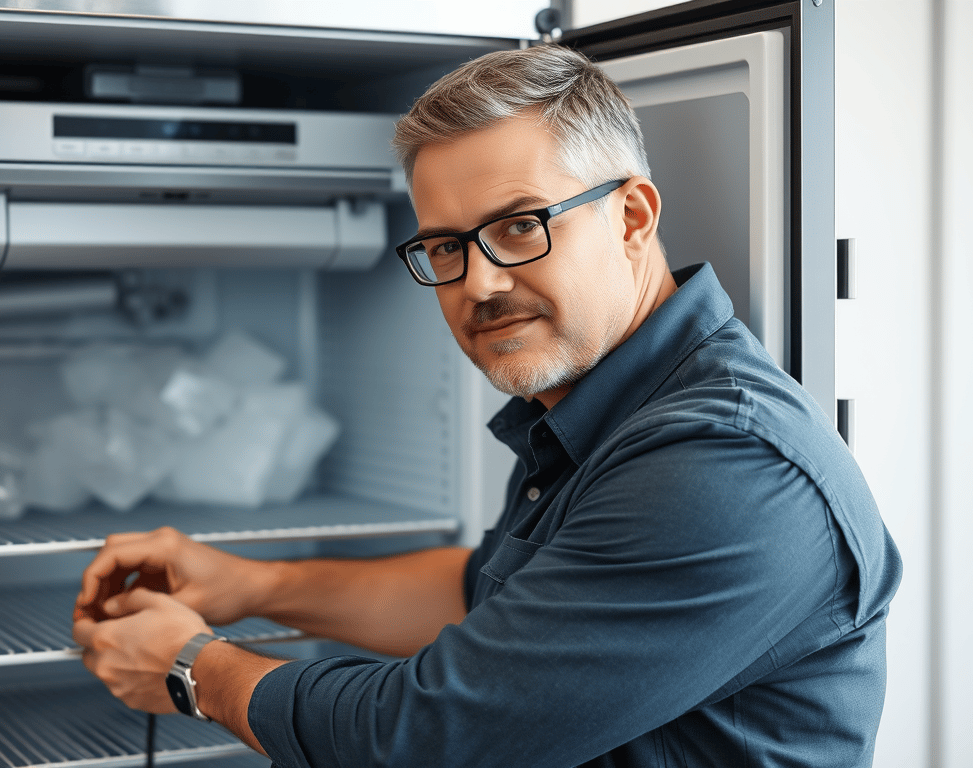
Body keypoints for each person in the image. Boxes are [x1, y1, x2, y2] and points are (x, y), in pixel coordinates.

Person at [71, 44, 902, 767]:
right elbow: (492, 598)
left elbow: (429, 739)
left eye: (519, 227)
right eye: (446, 245)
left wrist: (193, 669)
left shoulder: (725, 463)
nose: (479, 283)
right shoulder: (594, 405)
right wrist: (254, 585)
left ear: (631, 218)